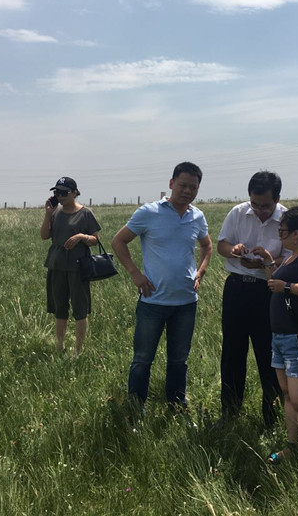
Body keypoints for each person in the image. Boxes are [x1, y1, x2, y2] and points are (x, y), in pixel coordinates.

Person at [111, 162, 213, 411]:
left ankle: (176, 406)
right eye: (183, 185)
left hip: (186, 302)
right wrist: (135, 274)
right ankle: (136, 408)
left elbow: (207, 246)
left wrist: (200, 272)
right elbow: (118, 241)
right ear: (171, 183)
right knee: (142, 359)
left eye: (193, 187)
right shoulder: (149, 212)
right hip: (153, 301)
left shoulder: (197, 216)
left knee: (179, 360)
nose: (187, 191)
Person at [252, 206, 298, 464]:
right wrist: (268, 262)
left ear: (296, 234)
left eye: (282, 231)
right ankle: (293, 447)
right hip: (281, 338)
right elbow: (276, 284)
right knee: (287, 395)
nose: (280, 235)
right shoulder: (290, 258)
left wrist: (288, 287)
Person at [217, 171, 290, 428]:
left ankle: (271, 416)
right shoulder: (238, 212)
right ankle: (229, 412)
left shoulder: (288, 219)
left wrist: (267, 261)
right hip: (237, 288)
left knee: (269, 353)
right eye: (255, 204)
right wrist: (234, 251)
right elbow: (222, 245)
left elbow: (292, 257)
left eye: (266, 206)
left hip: (268, 291)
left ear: (277, 199)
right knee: (232, 352)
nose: (259, 211)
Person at [40, 176, 101, 357]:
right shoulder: (55, 213)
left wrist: (81, 237)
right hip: (56, 265)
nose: (59, 196)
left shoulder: (86, 213)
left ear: (74, 193)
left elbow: (95, 240)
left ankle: (78, 350)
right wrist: (47, 215)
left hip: (78, 267)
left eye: (63, 193)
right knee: (60, 309)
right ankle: (60, 347)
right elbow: (44, 236)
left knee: (80, 309)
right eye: (56, 192)